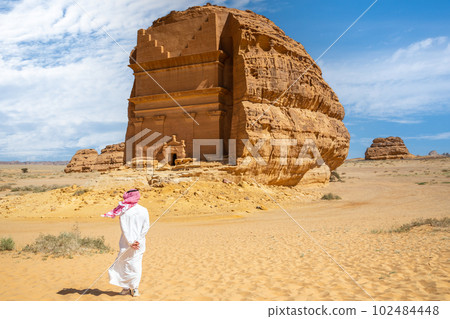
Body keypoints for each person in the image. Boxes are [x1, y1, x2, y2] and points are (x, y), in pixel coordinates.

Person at [102, 189, 150, 297]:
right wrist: (138, 240)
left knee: (125, 264)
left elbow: (124, 228)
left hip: (126, 243)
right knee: (135, 264)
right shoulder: (144, 210)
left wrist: (130, 242)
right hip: (139, 243)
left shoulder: (123, 210)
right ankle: (134, 289)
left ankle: (126, 288)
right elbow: (146, 227)